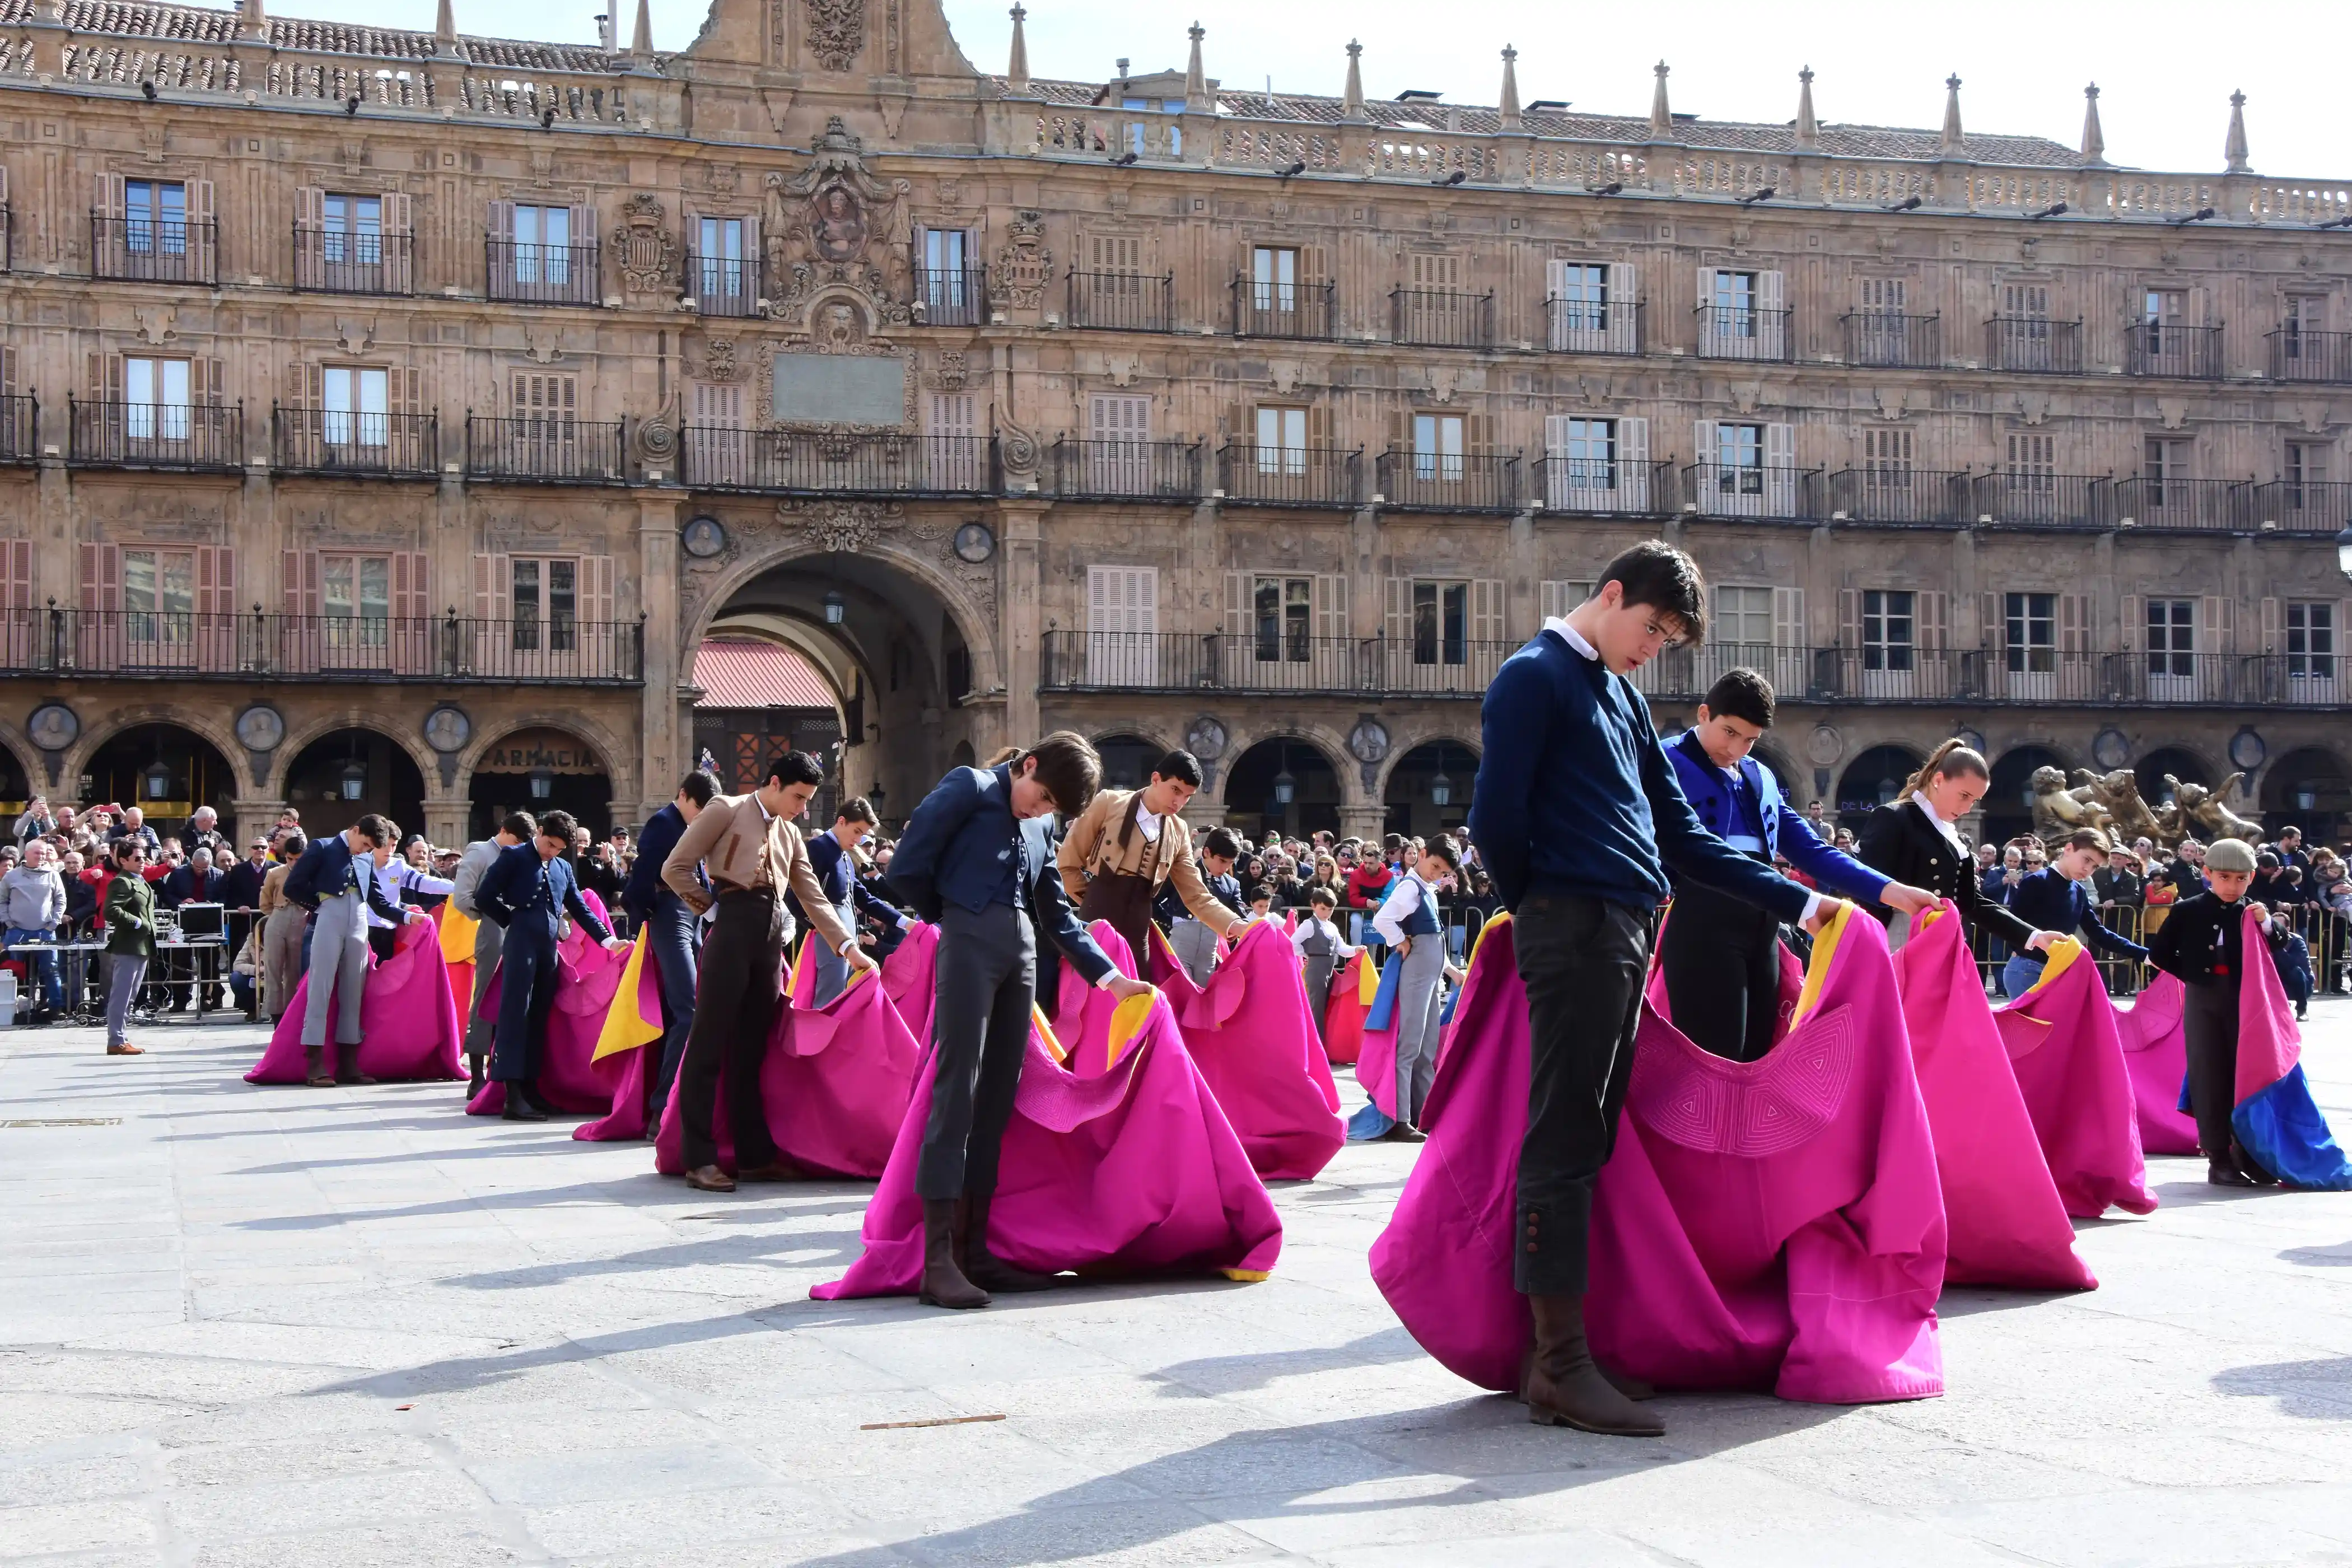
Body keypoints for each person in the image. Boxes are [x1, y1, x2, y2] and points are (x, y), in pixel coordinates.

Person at [1468, 541, 1842, 1439]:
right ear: (1610, 595)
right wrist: (1550, 906)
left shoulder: (1622, 696)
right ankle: (1557, 1364)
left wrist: (1806, 899)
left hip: (1629, 932)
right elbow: (1493, 821)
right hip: (1580, 926)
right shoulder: (1535, 676)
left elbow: (1686, 839)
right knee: (1565, 1136)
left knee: (1591, 1137)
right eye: (1653, 627)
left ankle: (1561, 1351)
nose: (1655, 648)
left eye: (1671, 640)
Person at [886, 732, 1154, 1309]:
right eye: (1044, 795)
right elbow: (907, 867)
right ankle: (937, 1260)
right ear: (1027, 765)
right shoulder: (970, 786)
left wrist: (1110, 977)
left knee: (998, 1103)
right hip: (969, 943)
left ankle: (975, 1251)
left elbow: (1056, 909)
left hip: (1023, 957)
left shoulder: (1040, 825)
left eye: (1055, 806)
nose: (1042, 808)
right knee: (956, 1090)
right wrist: (954, 915)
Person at [1660, 669, 1935, 1062]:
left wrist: (1896, 892)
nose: (1737, 749)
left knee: (1759, 1056)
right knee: (1715, 1059)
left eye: (1751, 740)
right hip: (1701, 920)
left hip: (1766, 924)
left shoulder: (1762, 777)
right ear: (1703, 714)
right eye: (1729, 732)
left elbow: (1813, 850)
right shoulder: (1664, 761)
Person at [661, 752, 874, 1189]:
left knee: (752, 1050)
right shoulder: (726, 808)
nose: (802, 808)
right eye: (798, 797)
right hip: (733, 924)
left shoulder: (791, 834)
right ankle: (698, 1158)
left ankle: (754, 1156)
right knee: (708, 1044)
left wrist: (849, 948)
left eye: (808, 800)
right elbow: (675, 868)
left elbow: (812, 895)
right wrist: (711, 907)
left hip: (772, 933)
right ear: (774, 783)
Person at [475, 810, 624, 1121]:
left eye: (558, 848)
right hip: (521, 945)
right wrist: (511, 921)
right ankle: (512, 1095)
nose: (552, 851)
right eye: (549, 844)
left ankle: (531, 1089)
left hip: (548, 950)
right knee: (516, 1015)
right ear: (539, 831)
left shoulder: (562, 868)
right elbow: (485, 896)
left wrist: (609, 942)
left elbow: (579, 908)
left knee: (540, 1017)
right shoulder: (514, 857)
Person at [1857, 743, 2058, 969]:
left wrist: (2033, 936)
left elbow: (1973, 903)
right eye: (1964, 795)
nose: (1967, 808)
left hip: (1943, 944)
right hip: (1895, 942)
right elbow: (1864, 891)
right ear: (1939, 780)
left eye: (1974, 800)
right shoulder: (1893, 817)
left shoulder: (1954, 838)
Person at [2148, 837, 2270, 1186]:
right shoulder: (2187, 909)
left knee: (2247, 1075)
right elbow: (2160, 953)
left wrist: (2268, 923)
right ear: (2207, 874)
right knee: (2209, 1075)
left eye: (2241, 878)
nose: (2233, 886)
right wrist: (2196, 977)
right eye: (2224, 877)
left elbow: (2277, 945)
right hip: (2204, 1001)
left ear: (2251, 878)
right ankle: (2219, 1158)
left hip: (2245, 1001)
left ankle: (2248, 1153)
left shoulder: (2252, 911)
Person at [1056, 749, 1247, 971]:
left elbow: (1196, 895)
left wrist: (1237, 924)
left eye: (1187, 796)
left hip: (1139, 930)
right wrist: (1091, 899)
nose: (1179, 802)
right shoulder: (1108, 802)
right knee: (1089, 996)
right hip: (1096, 922)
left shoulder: (1179, 830)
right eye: (1175, 790)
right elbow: (1066, 865)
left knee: (1138, 998)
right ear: (1156, 779)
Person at [283, 814, 424, 1088]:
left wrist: (407, 917)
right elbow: (294, 886)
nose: (366, 850)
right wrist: (320, 905)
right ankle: (314, 1062)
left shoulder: (366, 858)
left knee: (354, 993)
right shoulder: (322, 847)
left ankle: (349, 1063)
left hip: (359, 923)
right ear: (355, 830)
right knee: (320, 989)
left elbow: (378, 901)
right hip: (329, 919)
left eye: (371, 848)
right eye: (365, 844)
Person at [624, 773, 715, 1131]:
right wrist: (646, 913)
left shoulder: (685, 824)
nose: (701, 815)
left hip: (688, 916)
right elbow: (643, 876)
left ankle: (669, 1104)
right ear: (683, 796)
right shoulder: (663, 823)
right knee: (688, 1010)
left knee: (687, 1009)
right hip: (670, 914)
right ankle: (662, 1109)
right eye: (698, 808)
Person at [1369, 833, 1470, 1136]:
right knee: (1410, 1046)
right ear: (1422, 854)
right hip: (1417, 976)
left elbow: (1432, 941)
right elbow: (1382, 920)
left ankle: (1423, 1113)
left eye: (1442, 872)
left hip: (1430, 975)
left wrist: (1452, 971)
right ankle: (1400, 1119)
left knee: (1425, 1049)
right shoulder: (1410, 888)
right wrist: (1399, 941)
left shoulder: (1425, 889)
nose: (1436, 874)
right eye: (1435, 866)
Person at [2000, 828, 2150, 998]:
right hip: (2028, 970)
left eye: (2095, 867)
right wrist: (2019, 949)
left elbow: (2098, 932)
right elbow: (2011, 923)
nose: (2088, 869)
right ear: (2069, 849)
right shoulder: (2036, 882)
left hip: (2059, 970)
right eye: (2086, 860)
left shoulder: (2079, 891)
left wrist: (2144, 954)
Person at [451, 815, 533, 1094]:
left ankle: (506, 1071)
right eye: (516, 840)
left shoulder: (527, 856)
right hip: (494, 930)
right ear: (503, 831)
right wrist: (490, 917)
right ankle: (477, 1075)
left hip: (524, 933)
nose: (520, 846)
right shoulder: (480, 851)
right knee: (486, 998)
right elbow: (462, 897)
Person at [800, 798, 908, 1005]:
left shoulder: (846, 857)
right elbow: (795, 892)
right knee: (828, 1001)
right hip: (832, 940)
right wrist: (819, 927)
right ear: (842, 821)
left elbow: (863, 898)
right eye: (857, 832)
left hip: (847, 939)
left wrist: (905, 922)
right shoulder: (818, 848)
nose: (859, 840)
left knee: (842, 999)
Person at [1165, 828, 1244, 986]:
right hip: (1179, 946)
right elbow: (1156, 902)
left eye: (1230, 863)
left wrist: (1254, 928)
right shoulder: (1183, 874)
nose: (1225, 868)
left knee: (1205, 995)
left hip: (1209, 954)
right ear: (1207, 853)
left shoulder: (1231, 884)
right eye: (1222, 861)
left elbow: (1239, 914)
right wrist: (1170, 927)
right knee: (1180, 991)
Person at [101, 839, 157, 1056]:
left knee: (130, 996)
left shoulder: (139, 880)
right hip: (128, 945)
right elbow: (111, 910)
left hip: (141, 944)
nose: (142, 862)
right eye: (137, 858)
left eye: (143, 858)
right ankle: (116, 1040)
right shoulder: (123, 882)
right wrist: (136, 922)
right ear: (124, 860)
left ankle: (121, 1038)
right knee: (122, 995)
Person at [2, 839, 67, 1022]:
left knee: (51, 970)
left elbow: (61, 901)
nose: (41, 857)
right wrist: (8, 923)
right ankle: (10, 1007)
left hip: (45, 931)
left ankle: (56, 1006)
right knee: (10, 971)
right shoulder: (11, 876)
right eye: (37, 853)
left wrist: (54, 923)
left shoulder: (53, 875)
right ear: (27, 854)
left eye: (44, 853)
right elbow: (2, 901)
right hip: (16, 931)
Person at [1292, 886, 1360, 1043]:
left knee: (1326, 1007)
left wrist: (1356, 949)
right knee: (1316, 1008)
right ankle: (1315, 1045)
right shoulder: (1309, 924)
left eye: (1330, 909)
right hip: (1316, 969)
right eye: (1323, 908)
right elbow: (1293, 943)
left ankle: (1322, 1044)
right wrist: (1307, 955)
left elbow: (1342, 949)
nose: (1327, 913)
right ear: (1313, 906)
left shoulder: (1332, 927)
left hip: (1329, 970)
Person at [259, 834, 307, 1025]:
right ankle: (275, 1015)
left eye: (298, 859)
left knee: (294, 971)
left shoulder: (312, 873)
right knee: (273, 969)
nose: (294, 863)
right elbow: (264, 901)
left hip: (302, 919)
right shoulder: (275, 873)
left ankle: (292, 1015)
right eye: (290, 859)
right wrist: (276, 913)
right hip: (278, 917)